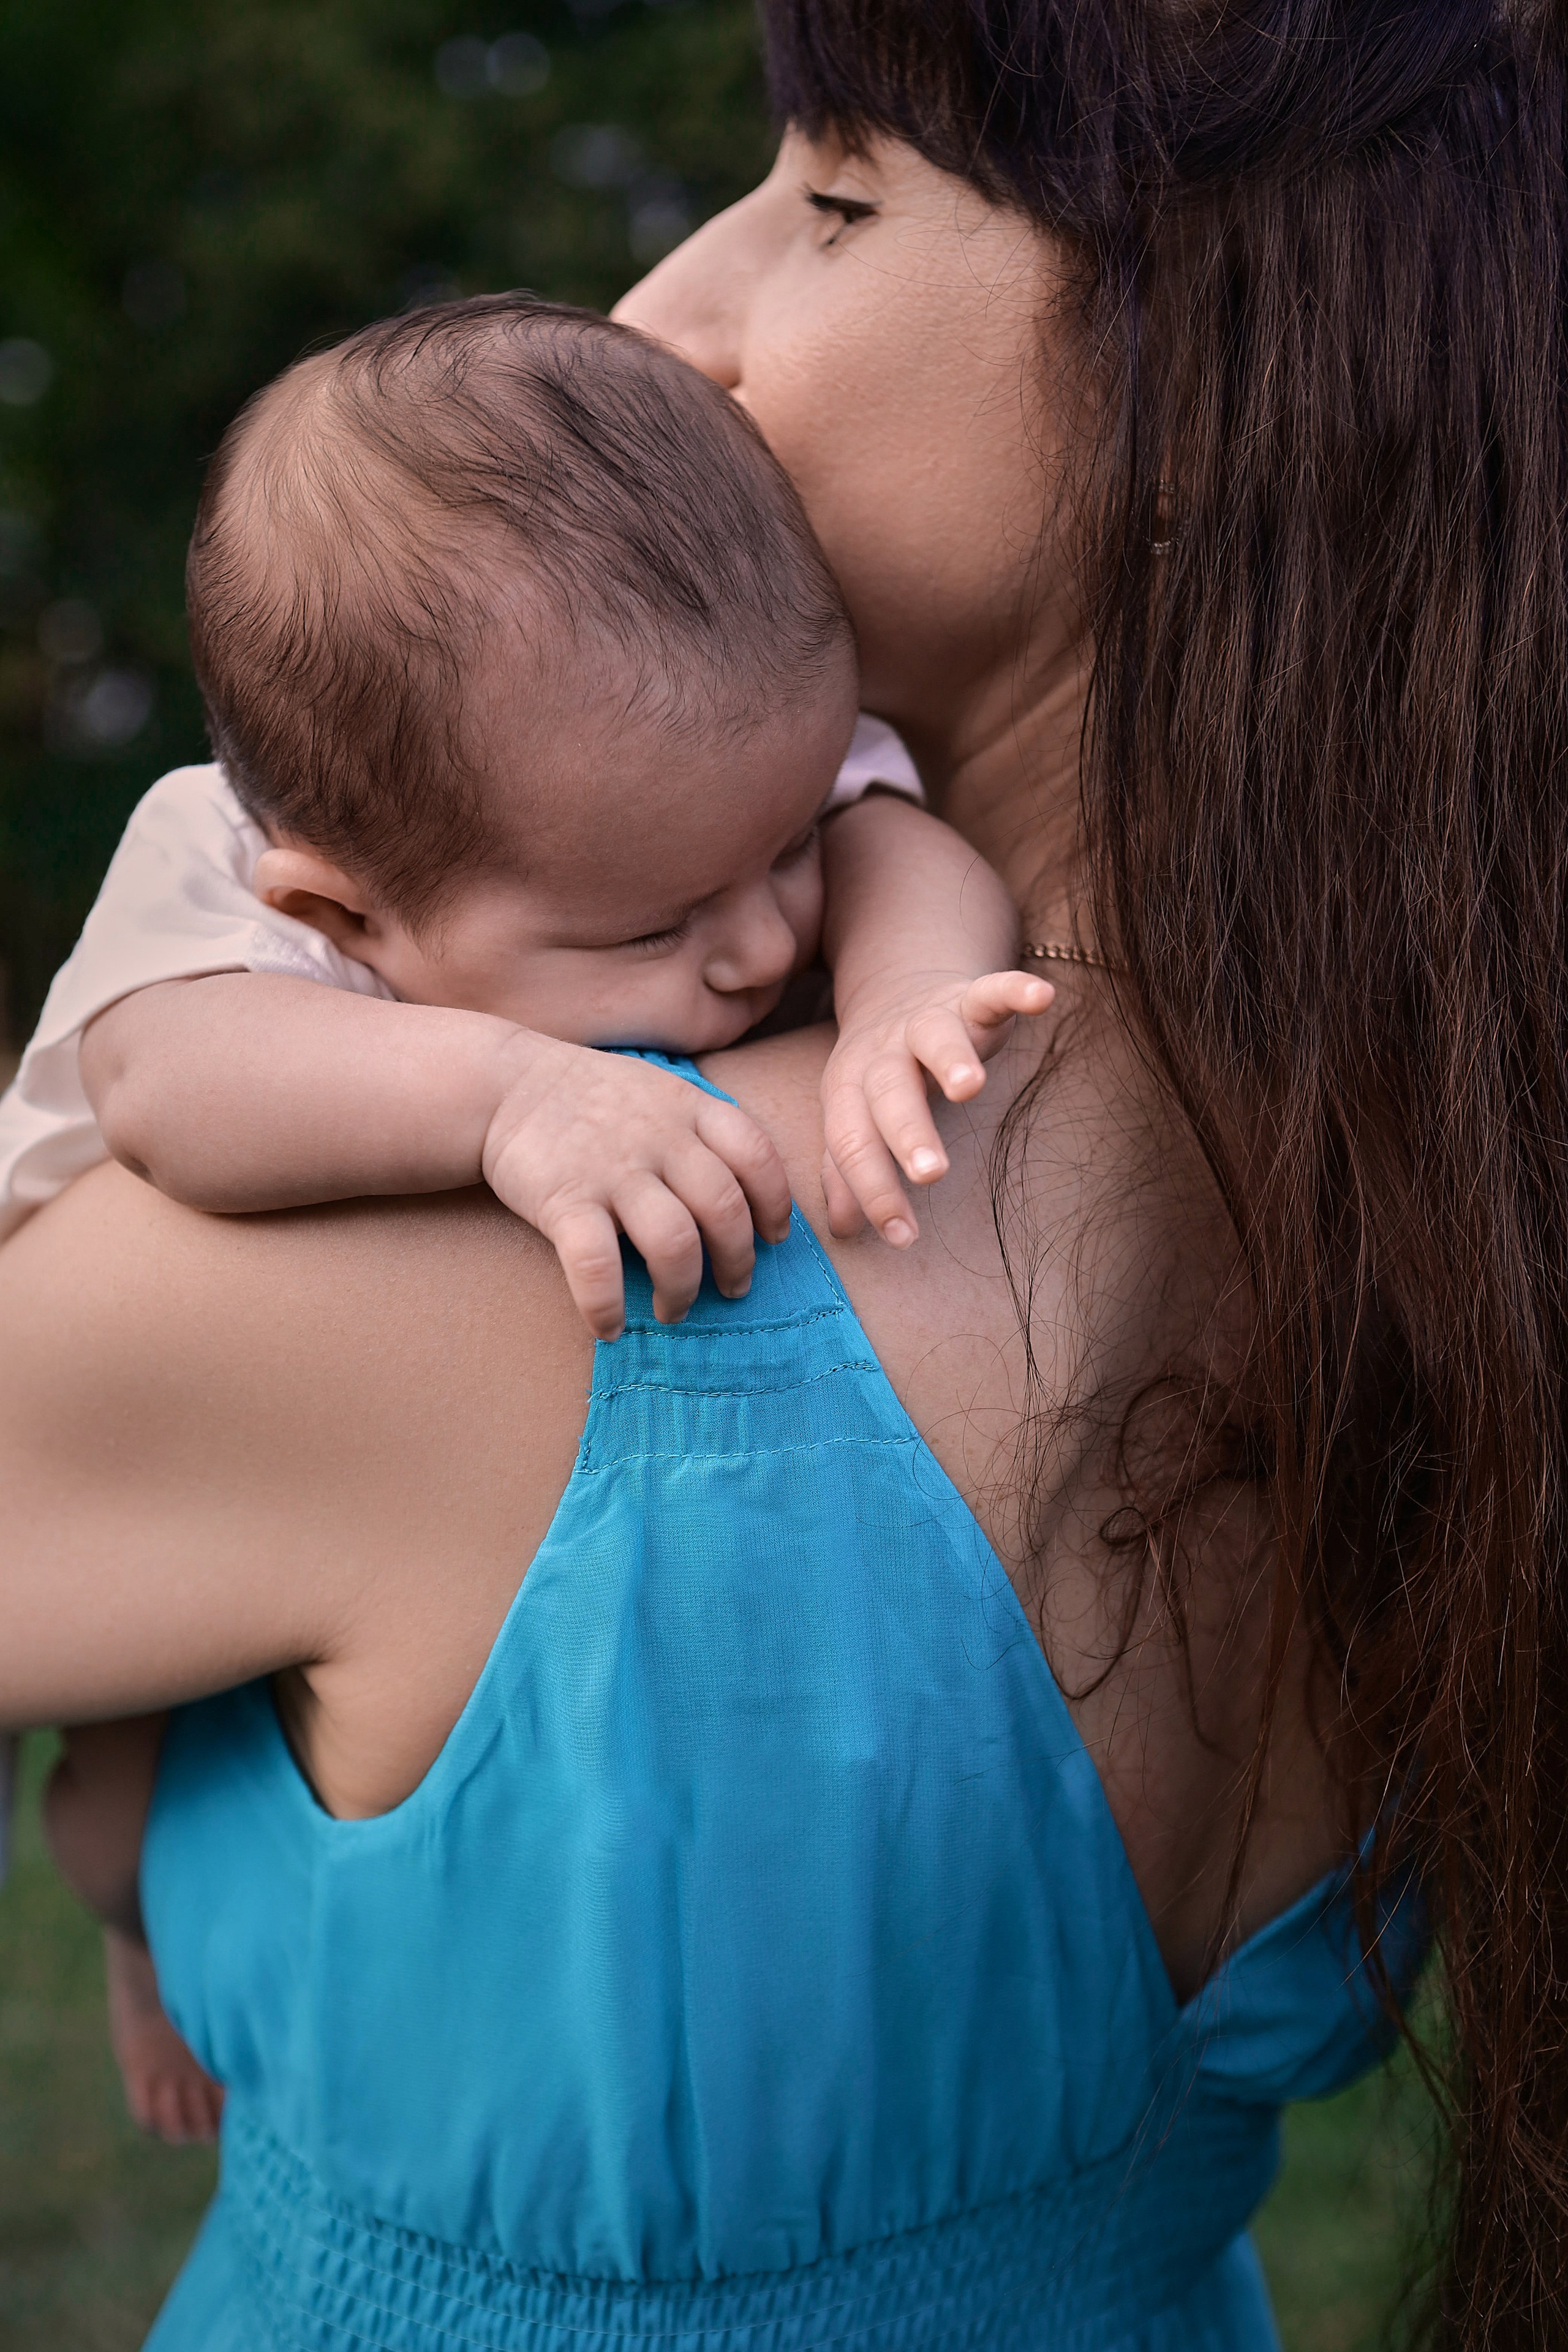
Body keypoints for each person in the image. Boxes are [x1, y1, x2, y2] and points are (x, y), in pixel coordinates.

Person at [1, 1, 1558, 2343]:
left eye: (834, 197)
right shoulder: (1447, 1192)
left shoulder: (555, 1267)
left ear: (1228, 374)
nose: (663, 311)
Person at [4, 291, 1041, 2136]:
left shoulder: (697, 779)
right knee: (115, 1817)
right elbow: (180, 1093)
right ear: (347, 923)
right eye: (653, 932)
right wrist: (514, 1092)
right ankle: (141, 1944)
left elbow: (899, 842)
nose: (761, 940)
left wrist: (897, 1002)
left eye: (783, 845)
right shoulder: (224, 889)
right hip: (134, 1471)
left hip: (416, 1524)